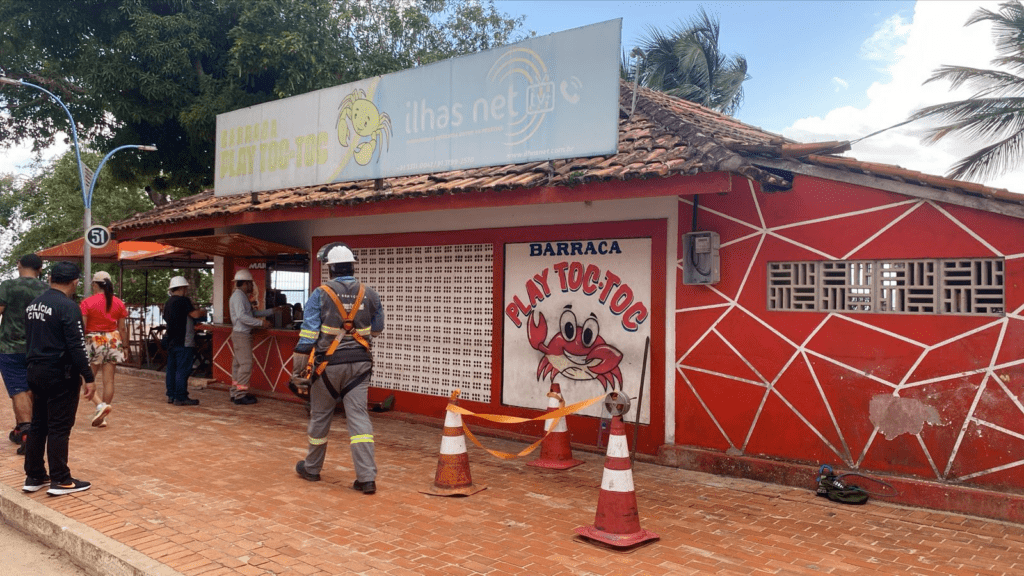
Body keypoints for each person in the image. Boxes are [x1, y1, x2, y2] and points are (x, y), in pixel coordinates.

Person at [292, 242, 384, 494]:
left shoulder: (320, 294)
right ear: (352, 267)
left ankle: (311, 468)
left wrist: (297, 371)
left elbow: (308, 336)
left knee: (321, 416)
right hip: (360, 366)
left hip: (327, 367)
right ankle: (366, 478)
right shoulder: (370, 293)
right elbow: (377, 329)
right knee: (359, 419)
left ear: (330, 269)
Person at [23, 261, 95, 496]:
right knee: (59, 427)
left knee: (38, 425)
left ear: (51, 278)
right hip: (59, 373)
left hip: (35, 370)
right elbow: (76, 346)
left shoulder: (34, 304)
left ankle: (34, 476)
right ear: (75, 282)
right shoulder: (68, 306)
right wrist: (88, 376)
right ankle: (61, 479)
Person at [0, 254, 49, 454]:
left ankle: (28, 432)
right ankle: (21, 427)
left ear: (19, 265)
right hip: (40, 347)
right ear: (41, 267)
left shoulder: (8, 286)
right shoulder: (47, 289)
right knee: (32, 388)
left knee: (18, 389)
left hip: (11, 347)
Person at [79, 271, 129, 427]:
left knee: (86, 378)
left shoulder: (87, 303)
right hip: (113, 340)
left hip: (94, 340)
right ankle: (103, 413)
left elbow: (82, 327)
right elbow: (122, 328)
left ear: (95, 284)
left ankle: (100, 406)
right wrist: (126, 346)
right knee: (109, 381)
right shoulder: (118, 302)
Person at [229, 269, 273, 405]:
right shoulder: (239, 296)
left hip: (240, 334)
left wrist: (272, 311)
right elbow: (243, 317)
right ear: (246, 283)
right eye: (251, 284)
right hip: (242, 335)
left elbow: (250, 314)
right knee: (246, 364)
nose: (252, 287)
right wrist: (261, 323)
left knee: (238, 365)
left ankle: (235, 391)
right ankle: (240, 394)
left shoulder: (239, 296)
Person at [163, 276, 207, 406]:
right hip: (184, 341)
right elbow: (194, 315)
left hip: (171, 340)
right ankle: (181, 396)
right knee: (182, 369)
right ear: (182, 288)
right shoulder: (183, 300)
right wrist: (202, 312)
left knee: (171, 369)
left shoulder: (169, 302)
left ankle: (171, 395)